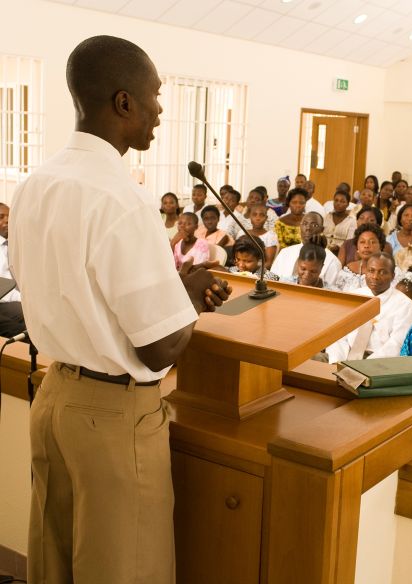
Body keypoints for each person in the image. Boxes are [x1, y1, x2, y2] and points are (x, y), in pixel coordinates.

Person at [10, 35, 231, 584]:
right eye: (155, 96)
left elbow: (77, 289)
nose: (160, 110)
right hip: (112, 418)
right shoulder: (121, 197)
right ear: (124, 102)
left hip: (54, 396)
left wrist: (171, 288)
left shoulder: (36, 184)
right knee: (125, 571)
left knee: (54, 566)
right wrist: (187, 296)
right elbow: (158, 346)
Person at [325, 253, 412, 362]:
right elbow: (338, 335)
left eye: (382, 272)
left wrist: (364, 366)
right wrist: (336, 361)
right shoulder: (354, 296)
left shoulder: (405, 306)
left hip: (379, 362)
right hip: (344, 355)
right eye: (371, 271)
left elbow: (397, 344)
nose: (375, 277)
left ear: (393, 276)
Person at [271, 211, 341, 286]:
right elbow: (271, 280)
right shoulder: (285, 252)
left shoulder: (332, 261)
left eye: (314, 225)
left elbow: (328, 290)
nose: (308, 228)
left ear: (322, 229)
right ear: (300, 227)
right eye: (305, 224)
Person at [334, 223, 389, 292]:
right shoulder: (348, 270)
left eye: (372, 242)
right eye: (362, 242)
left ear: (380, 246)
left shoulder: (389, 270)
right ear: (357, 247)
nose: (366, 246)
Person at [0, 203, 27, 337]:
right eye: (1, 217)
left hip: (17, 298)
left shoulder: (16, 244)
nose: (7, 220)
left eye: (10, 216)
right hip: (5, 301)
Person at [324, 190, 357, 254]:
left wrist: (338, 247)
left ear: (347, 204)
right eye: (336, 200)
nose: (338, 203)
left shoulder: (351, 220)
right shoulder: (327, 216)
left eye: (342, 201)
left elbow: (349, 242)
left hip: (341, 253)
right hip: (324, 250)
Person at [247, 204, 277, 268]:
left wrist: (252, 270)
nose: (258, 218)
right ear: (250, 216)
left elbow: (269, 263)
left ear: (266, 218)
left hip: (260, 270)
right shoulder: (242, 233)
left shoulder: (270, 236)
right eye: (254, 215)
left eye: (261, 215)